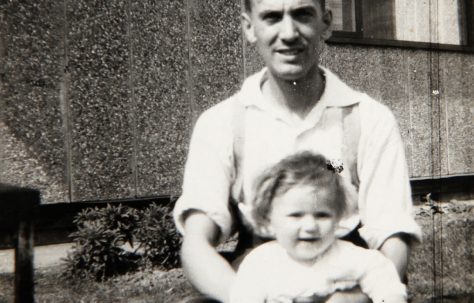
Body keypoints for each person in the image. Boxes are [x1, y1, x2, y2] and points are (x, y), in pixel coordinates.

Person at [174, 0, 422, 302]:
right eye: (272, 17)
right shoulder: (221, 123)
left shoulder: (368, 118)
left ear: (326, 24)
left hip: (346, 277)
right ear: (250, 27)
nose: (289, 33)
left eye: (302, 14)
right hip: (260, 278)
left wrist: (352, 300)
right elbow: (196, 243)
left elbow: (392, 235)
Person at [230, 152, 407, 303]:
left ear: (338, 218)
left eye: (322, 215)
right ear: (269, 220)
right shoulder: (260, 264)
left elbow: (388, 287)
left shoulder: (353, 258)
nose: (310, 226)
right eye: (296, 215)